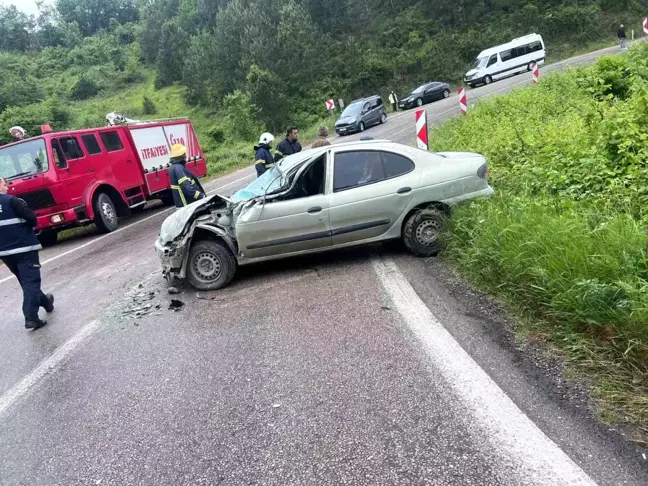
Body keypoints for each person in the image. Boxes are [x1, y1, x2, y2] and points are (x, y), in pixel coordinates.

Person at [0, 177, 54, 330]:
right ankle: (31, 317)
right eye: (5, 185)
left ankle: (46, 302)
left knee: (26, 281)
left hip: (5, 252)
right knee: (31, 281)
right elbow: (32, 219)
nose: (7, 188)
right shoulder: (12, 201)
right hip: (24, 248)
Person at [168, 144, 206, 208]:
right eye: (184, 154)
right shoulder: (178, 169)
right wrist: (201, 196)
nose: (185, 155)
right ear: (180, 155)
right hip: (188, 206)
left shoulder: (174, 167)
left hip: (185, 205)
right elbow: (187, 189)